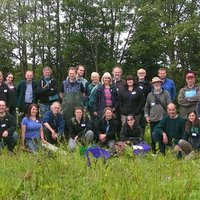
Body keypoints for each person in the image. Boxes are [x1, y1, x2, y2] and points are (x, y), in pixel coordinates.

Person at [145, 77, 171, 154]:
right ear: (152, 85)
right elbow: (147, 107)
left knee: (163, 135)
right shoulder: (150, 95)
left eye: (158, 83)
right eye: (155, 83)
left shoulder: (166, 93)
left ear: (161, 84)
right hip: (153, 119)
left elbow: (169, 105)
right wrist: (147, 116)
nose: (157, 84)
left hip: (163, 118)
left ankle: (163, 151)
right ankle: (154, 151)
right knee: (153, 135)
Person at [60, 67, 85, 138]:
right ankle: (67, 139)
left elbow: (83, 95)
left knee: (78, 122)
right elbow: (61, 94)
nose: (72, 75)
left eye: (73, 74)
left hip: (78, 107)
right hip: (67, 108)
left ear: (76, 74)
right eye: (70, 73)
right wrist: (67, 101)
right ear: (68, 74)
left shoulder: (80, 84)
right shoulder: (64, 83)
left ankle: (79, 138)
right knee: (67, 122)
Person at [136, 68, 152, 136]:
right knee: (135, 123)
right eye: (140, 73)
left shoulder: (148, 84)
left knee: (143, 124)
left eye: (142, 73)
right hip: (136, 106)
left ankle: (142, 138)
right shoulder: (135, 84)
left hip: (145, 107)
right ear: (137, 74)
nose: (141, 74)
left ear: (145, 74)